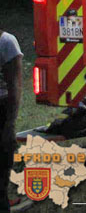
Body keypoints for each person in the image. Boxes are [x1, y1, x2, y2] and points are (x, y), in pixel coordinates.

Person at [0, 29, 32, 212]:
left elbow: (15, 85)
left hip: (2, 106)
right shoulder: (7, 41)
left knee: (4, 155)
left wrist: (10, 120)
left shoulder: (6, 42)